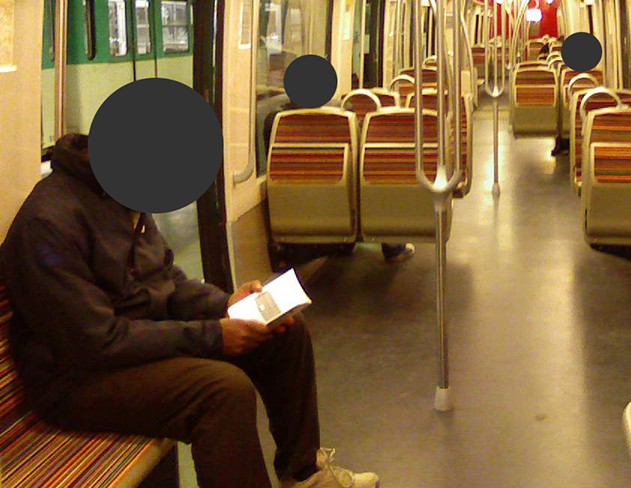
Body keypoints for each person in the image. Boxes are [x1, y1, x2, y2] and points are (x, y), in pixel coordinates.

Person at [0, 134, 379, 488]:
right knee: (219, 391)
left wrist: (226, 305)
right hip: (74, 379)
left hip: (132, 343)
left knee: (285, 334)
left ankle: (303, 474)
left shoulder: (122, 192)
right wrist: (215, 335)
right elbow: (94, 342)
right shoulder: (48, 223)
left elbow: (165, 278)